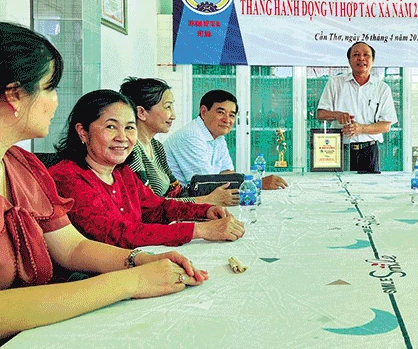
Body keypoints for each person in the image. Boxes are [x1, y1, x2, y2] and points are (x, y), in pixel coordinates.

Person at [0, 23, 206, 339]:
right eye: (50, 88)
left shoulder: (24, 167)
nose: (56, 101)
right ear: (15, 95)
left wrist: (140, 260)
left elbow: (72, 247)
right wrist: (131, 281)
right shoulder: (68, 175)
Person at [50, 89, 245, 248]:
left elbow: (157, 208)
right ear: (83, 132)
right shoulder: (68, 177)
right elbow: (116, 234)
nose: (122, 137)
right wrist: (199, 230)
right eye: (111, 127)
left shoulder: (122, 173)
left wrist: (205, 211)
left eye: (129, 127)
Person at [119, 77, 238, 206]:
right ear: (141, 112)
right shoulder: (131, 150)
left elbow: (176, 191)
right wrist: (206, 199)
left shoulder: (156, 146)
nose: (173, 115)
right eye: (167, 107)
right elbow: (149, 205)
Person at [164, 89, 288, 189]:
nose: (227, 120)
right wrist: (257, 183)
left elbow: (227, 173)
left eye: (232, 115)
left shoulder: (217, 136)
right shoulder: (191, 136)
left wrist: (253, 182)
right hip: (178, 201)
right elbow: (204, 184)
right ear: (203, 112)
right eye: (221, 112)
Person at [316, 42, 398, 173]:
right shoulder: (335, 83)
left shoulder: (382, 89)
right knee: (334, 185)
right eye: (356, 55)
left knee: (369, 186)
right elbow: (320, 114)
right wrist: (337, 115)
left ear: (372, 60)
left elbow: (386, 126)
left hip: (369, 150)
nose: (361, 58)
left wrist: (361, 128)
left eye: (366, 55)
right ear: (349, 60)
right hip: (338, 149)